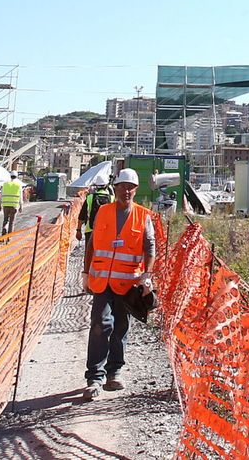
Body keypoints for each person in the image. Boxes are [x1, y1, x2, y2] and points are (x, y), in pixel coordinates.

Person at [83, 168, 156, 392]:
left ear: (135, 190)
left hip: (127, 283)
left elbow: (150, 247)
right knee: (99, 324)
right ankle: (94, 377)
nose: (126, 191)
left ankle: (114, 372)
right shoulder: (103, 211)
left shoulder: (143, 215)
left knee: (120, 327)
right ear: (115, 188)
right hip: (102, 281)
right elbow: (92, 244)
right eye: (123, 187)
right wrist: (85, 273)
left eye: (130, 188)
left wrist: (147, 276)